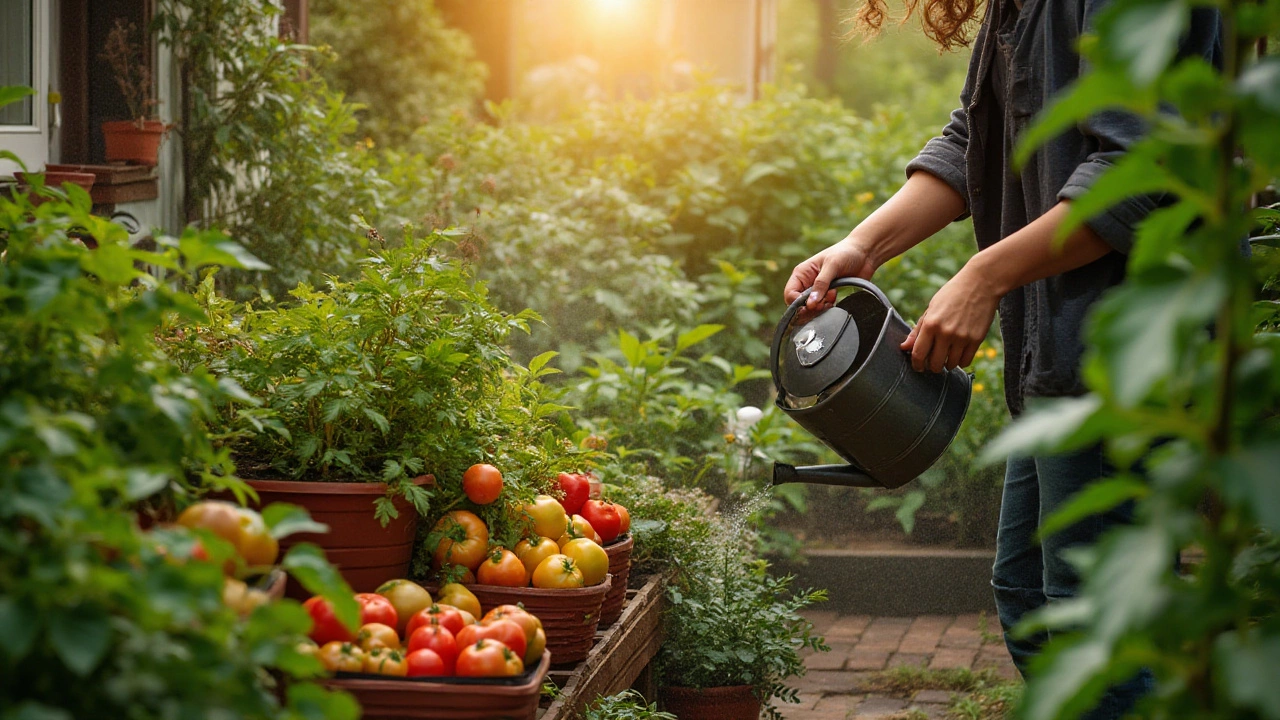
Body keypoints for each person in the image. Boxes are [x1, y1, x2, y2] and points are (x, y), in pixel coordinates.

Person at [783, 0, 1221, 717]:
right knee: (1029, 599)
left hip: (1131, 356)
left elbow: (1141, 170)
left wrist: (984, 277)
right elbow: (972, 139)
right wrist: (863, 246)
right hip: (1059, 355)